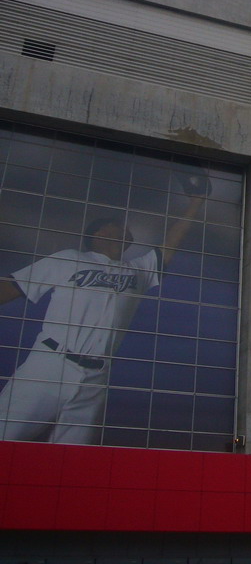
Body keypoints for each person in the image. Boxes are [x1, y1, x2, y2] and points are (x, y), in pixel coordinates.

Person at [0, 180, 207, 444]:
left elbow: (170, 244)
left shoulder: (137, 270)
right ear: (98, 233)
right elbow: (11, 287)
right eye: (117, 225)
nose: (124, 229)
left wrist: (195, 203)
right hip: (49, 364)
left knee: (72, 459)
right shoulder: (70, 258)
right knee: (6, 437)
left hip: (96, 376)